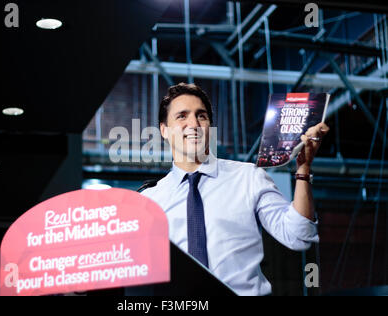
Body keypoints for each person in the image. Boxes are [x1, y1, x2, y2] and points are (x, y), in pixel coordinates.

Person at [140, 83, 330, 296]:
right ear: (164, 130)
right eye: (182, 116)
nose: (193, 124)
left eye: (201, 116)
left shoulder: (248, 177)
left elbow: (298, 236)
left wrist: (303, 170)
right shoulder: (149, 201)